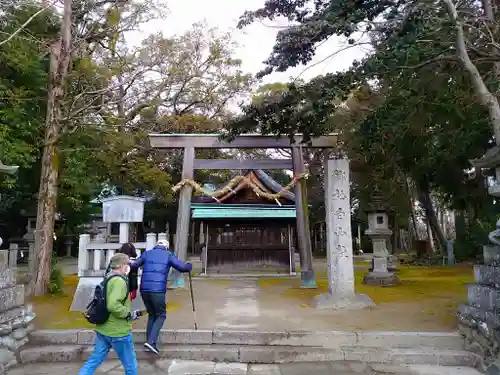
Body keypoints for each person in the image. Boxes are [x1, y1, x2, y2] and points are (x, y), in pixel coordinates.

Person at [79, 253, 141, 375]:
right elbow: (113, 305)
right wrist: (128, 314)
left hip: (104, 330)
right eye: (128, 264)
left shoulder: (108, 277)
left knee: (94, 360)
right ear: (123, 265)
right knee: (131, 365)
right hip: (118, 331)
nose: (129, 267)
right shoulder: (119, 281)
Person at [131, 239, 192, 354]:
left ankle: (149, 342)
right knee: (161, 315)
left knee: (152, 314)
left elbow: (134, 265)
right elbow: (182, 267)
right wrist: (189, 265)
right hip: (157, 290)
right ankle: (151, 341)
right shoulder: (168, 255)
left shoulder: (147, 253)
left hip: (144, 289)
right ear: (166, 246)